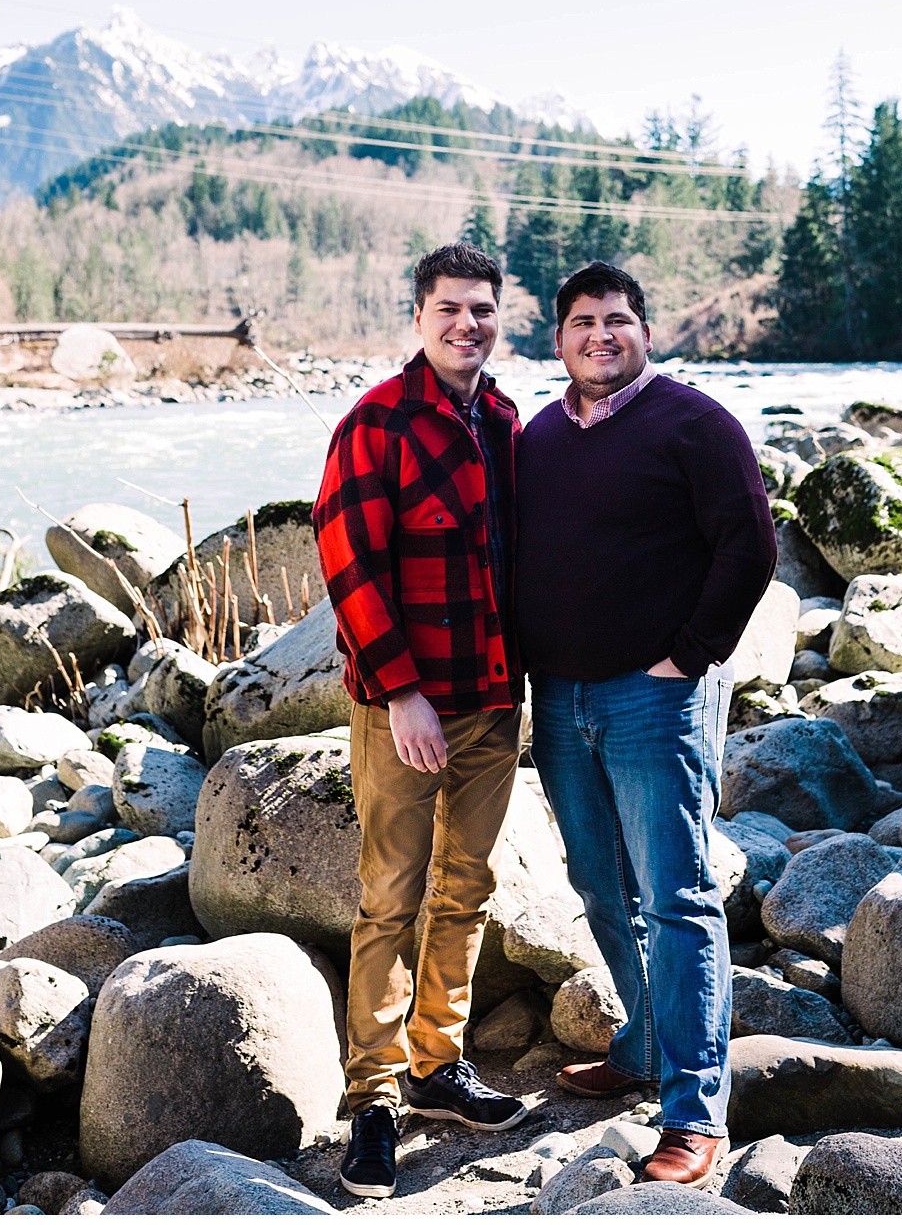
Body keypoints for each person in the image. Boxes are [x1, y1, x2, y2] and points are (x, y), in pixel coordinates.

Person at [516, 261, 776, 1189]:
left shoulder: (696, 424)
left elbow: (751, 542)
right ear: (559, 341)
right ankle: (644, 1043)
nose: (600, 335)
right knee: (596, 882)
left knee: (678, 895)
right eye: (582, 322)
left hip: (653, 698)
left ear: (644, 332)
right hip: (562, 698)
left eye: (617, 320)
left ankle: (695, 1113)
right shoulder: (538, 438)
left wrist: (688, 655)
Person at [313, 242, 528, 1201]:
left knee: (468, 888)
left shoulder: (507, 422)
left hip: (492, 697)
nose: (465, 323)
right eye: (448, 308)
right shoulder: (375, 424)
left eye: (481, 309)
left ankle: (441, 1068)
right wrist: (402, 693)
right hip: (406, 705)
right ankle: (375, 1100)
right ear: (418, 316)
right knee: (388, 896)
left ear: (497, 317)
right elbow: (347, 564)